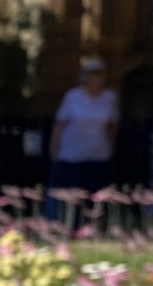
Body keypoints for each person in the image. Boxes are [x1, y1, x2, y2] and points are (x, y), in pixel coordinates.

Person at [49, 56, 118, 200]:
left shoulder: (110, 98)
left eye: (99, 74)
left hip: (98, 155)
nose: (96, 78)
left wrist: (112, 147)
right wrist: (54, 148)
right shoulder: (72, 97)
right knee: (72, 197)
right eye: (92, 74)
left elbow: (112, 126)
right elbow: (60, 124)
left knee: (94, 198)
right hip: (72, 156)